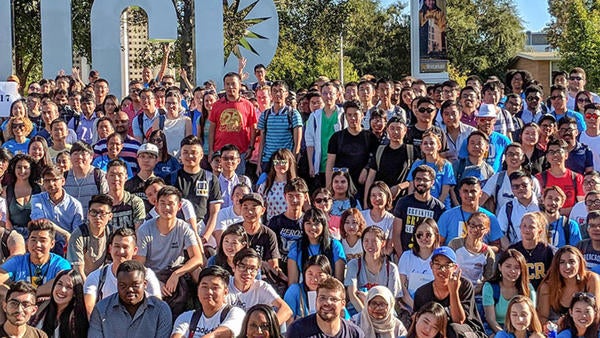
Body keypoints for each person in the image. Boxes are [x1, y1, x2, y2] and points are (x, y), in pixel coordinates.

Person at [135, 186, 203, 318]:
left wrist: (176, 274)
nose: (166, 208)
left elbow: (197, 258)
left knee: (197, 270)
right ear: (156, 205)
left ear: (179, 206)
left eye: (171, 204)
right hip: (153, 273)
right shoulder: (145, 229)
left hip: (175, 273)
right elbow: (139, 264)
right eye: (163, 203)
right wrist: (154, 281)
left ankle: (200, 310)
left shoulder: (184, 228)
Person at [83, 227, 161, 317]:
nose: (121, 251)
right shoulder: (97, 277)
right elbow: (89, 309)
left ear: (135, 251)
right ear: (110, 249)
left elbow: (157, 309)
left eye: (125, 247)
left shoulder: (147, 275)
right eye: (117, 246)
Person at [413, 246, 487, 338]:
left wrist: (453, 291)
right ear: (431, 265)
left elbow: (459, 321)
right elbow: (416, 321)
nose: (442, 269)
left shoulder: (464, 285)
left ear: (455, 267)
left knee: (452, 329)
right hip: (439, 332)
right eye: (437, 264)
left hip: (468, 332)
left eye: (447, 265)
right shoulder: (422, 292)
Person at [88, 260, 172, 338]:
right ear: (117, 285)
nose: (129, 290)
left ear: (145, 284)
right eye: (123, 286)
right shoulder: (101, 309)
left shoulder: (161, 310)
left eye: (135, 285)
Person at [170, 135, 223, 247]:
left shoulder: (210, 178)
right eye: (185, 152)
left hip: (202, 231)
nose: (189, 156)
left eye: (194, 152)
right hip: (177, 231)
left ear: (201, 155)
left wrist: (205, 236)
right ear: (180, 154)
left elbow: (214, 212)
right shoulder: (172, 178)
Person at [0, 219, 72, 297]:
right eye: (33, 239)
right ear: (27, 242)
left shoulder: (60, 263)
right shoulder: (18, 261)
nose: (37, 244)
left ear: (52, 244)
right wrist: (11, 295)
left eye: (42, 240)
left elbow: (63, 282)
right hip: (21, 306)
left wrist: (33, 295)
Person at [171, 266, 245, 338]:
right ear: (198, 290)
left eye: (215, 287)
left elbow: (220, 334)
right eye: (204, 287)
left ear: (225, 292)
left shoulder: (236, 313)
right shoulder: (186, 317)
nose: (209, 292)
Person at [537, 246, 600, 327]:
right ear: (556, 265)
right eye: (562, 262)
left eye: (572, 261)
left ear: (579, 263)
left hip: (586, 328)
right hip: (557, 330)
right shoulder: (547, 286)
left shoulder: (591, 280)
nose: (567, 266)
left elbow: (596, 313)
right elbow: (542, 318)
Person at [208, 73, 257, 176]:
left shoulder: (248, 105)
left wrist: (251, 147)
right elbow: (212, 130)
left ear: (239, 84)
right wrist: (211, 151)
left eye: (233, 84)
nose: (230, 87)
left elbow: (253, 128)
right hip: (220, 152)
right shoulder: (217, 105)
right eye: (227, 84)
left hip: (240, 152)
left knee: (238, 183)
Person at [226, 248, 292, 324]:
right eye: (242, 266)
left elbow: (286, 310)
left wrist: (269, 328)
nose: (247, 272)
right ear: (233, 267)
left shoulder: (261, 287)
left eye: (252, 268)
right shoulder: (224, 284)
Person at [345, 226, 401, 313]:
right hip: (358, 310)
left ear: (382, 243)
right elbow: (352, 296)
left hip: (383, 311)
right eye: (366, 241)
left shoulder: (391, 268)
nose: (370, 245)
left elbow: (391, 299)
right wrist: (366, 315)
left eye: (374, 241)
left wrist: (369, 299)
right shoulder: (354, 264)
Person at [392, 165, 445, 255]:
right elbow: (396, 234)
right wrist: (402, 257)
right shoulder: (403, 203)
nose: (421, 182)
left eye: (425, 180)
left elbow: (438, 238)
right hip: (405, 254)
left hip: (427, 258)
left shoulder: (438, 207)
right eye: (418, 179)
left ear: (432, 182)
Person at [30, 165, 85, 254]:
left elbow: (76, 233)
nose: (51, 184)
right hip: (42, 245)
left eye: (55, 180)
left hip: (66, 248)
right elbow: (41, 222)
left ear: (63, 181)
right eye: (47, 181)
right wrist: (65, 233)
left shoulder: (74, 205)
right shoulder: (36, 199)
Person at [287, 276, 365, 338]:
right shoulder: (297, 330)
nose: (327, 303)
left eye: (333, 299)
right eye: (322, 298)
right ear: (315, 300)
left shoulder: (355, 334)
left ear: (343, 304)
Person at [437, 177, 503, 249]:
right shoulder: (447, 216)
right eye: (465, 191)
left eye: (473, 191)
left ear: (480, 193)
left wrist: (481, 249)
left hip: (479, 259)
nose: (469, 195)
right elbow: (438, 243)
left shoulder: (490, 217)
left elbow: (497, 246)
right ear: (460, 193)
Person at [482, 248, 536, 335]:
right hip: (496, 329)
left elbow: (532, 317)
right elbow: (490, 319)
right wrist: (504, 335)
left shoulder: (528, 289)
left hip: (520, 328)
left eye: (517, 267)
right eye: (508, 266)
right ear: (500, 267)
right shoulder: (490, 287)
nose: (513, 271)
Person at [364, 116, 418, 202]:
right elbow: (370, 177)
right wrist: (366, 201)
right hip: (380, 200)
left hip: (402, 201)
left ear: (405, 131)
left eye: (399, 129)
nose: (395, 132)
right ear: (387, 130)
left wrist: (400, 187)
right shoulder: (380, 150)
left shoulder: (411, 151)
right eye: (392, 128)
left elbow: (416, 177)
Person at [287, 208, 346, 285]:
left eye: (316, 223)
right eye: (308, 223)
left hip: (329, 290)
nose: (313, 227)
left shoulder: (335, 245)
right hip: (305, 289)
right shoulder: (296, 247)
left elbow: (339, 281)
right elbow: (292, 282)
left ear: (323, 225)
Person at [28, 269, 88, 338]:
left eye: (69, 287)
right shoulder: (41, 305)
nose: (62, 290)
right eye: (59, 284)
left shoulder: (76, 317)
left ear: (75, 293)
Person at [268, 178, 309, 274]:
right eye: (290, 196)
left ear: (306, 197)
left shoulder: (309, 222)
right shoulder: (275, 222)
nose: (294, 200)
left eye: (298, 196)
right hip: (279, 271)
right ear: (284, 196)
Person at [66, 194, 113, 278]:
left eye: (102, 213)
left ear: (110, 216)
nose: (97, 217)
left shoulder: (112, 233)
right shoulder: (78, 235)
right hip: (82, 279)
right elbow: (78, 270)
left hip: (104, 277)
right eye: (94, 212)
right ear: (88, 214)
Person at [448, 212, 495, 295]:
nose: (475, 229)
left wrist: (474, 291)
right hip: (453, 290)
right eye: (472, 225)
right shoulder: (455, 244)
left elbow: (488, 279)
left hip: (475, 294)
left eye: (480, 227)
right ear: (467, 225)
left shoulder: (488, 253)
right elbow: (447, 268)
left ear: (487, 230)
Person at [407, 130, 457, 209]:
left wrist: (433, 207)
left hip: (440, 207)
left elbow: (445, 192)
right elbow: (411, 188)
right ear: (421, 146)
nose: (428, 146)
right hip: (419, 207)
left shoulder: (446, 165)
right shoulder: (417, 164)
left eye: (432, 143)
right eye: (425, 143)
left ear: (439, 146)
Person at [536, 139, 584, 215]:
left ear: (566, 155)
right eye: (551, 152)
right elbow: (537, 205)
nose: (555, 155)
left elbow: (581, 206)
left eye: (558, 151)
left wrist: (558, 212)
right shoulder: (539, 178)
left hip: (569, 222)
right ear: (547, 156)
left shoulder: (576, 178)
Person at [497, 171, 541, 248]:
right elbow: (501, 234)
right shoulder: (507, 208)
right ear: (511, 189)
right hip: (517, 253)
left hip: (541, 252)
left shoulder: (542, 206)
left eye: (524, 185)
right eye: (516, 186)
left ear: (531, 185)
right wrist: (511, 253)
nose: (520, 189)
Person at [284, 255, 334, 323]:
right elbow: (288, 321)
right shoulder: (294, 290)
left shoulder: (333, 293)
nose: (314, 279)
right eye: (310, 274)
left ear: (328, 276)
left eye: (320, 275)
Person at [64, 141, 109, 216]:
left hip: (92, 223)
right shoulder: (64, 177)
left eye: (83, 154)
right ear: (70, 157)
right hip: (68, 224)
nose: (79, 157)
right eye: (75, 154)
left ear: (91, 157)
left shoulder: (99, 175)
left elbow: (105, 202)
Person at [3, 154, 42, 238]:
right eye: (19, 167)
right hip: (13, 233)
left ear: (31, 169)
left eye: (26, 167)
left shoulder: (40, 189)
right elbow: (6, 219)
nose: (22, 171)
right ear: (14, 169)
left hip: (36, 233)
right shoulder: (6, 190)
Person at [257, 148, 298, 221]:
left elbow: (306, 206)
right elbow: (259, 206)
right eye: (277, 162)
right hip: (272, 225)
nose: (280, 165)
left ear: (289, 163)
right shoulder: (266, 184)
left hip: (292, 225)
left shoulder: (297, 184)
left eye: (283, 162)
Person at [105, 159, 146, 230]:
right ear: (106, 177)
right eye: (112, 175)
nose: (116, 178)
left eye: (120, 175)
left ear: (126, 177)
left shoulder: (135, 202)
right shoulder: (101, 203)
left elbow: (139, 232)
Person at [151, 91, 192, 157]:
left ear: (179, 104)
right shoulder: (158, 121)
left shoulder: (186, 120)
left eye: (174, 103)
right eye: (168, 103)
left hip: (181, 158)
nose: (171, 106)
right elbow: (154, 142)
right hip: (164, 158)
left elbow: (188, 142)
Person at [217, 144, 252, 209]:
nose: (229, 161)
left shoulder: (244, 180)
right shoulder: (213, 181)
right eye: (225, 158)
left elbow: (249, 202)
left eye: (232, 158)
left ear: (238, 161)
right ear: (220, 160)